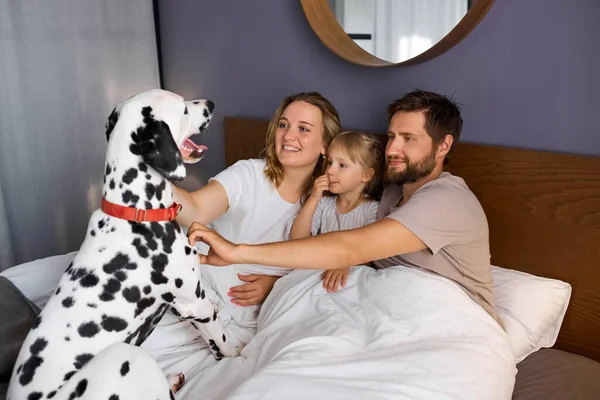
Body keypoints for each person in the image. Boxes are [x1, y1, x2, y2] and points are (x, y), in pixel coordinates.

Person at [187, 89, 504, 328]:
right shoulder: (390, 195)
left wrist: (238, 252)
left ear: (443, 145)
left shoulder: (446, 200)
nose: (392, 149)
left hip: (452, 320)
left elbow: (351, 246)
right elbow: (339, 247)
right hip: (384, 311)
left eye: (408, 138)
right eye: (392, 136)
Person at [171, 91, 341, 330]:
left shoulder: (327, 204)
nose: (289, 135)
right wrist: (153, 176)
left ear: (325, 145)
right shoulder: (248, 174)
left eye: (304, 129)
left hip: (260, 312)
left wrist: (276, 284)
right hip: (203, 285)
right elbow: (195, 211)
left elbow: (326, 262)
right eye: (284, 125)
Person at [287, 131, 383, 293]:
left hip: (349, 276)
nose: (330, 170)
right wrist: (314, 198)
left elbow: (371, 253)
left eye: (342, 165)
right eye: (330, 162)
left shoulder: (372, 210)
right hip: (318, 272)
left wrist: (346, 264)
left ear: (366, 175)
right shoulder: (324, 204)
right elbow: (297, 238)